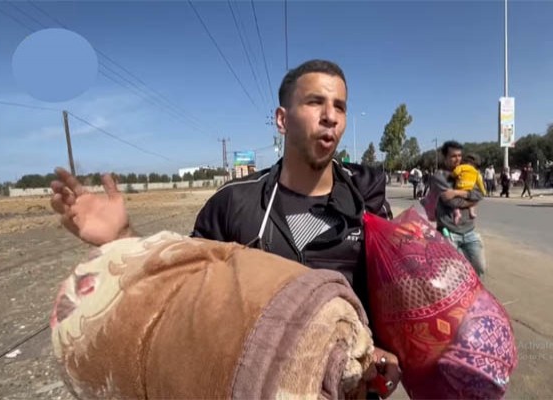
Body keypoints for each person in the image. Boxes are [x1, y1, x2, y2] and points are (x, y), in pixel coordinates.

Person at [49, 59, 401, 398]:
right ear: (282, 119)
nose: (330, 117)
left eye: (339, 107)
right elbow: (182, 289)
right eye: (315, 102)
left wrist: (389, 349)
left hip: (352, 385)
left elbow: (390, 289)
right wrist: (123, 238)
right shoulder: (234, 203)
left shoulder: (363, 198)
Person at [428, 141, 486, 277]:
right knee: (454, 273)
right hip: (449, 233)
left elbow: (480, 195)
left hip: (470, 231)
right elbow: (452, 202)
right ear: (444, 157)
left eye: (460, 155)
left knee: (480, 268)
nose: (458, 159)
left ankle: (474, 295)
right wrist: (470, 200)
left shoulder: (468, 172)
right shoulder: (439, 177)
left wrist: (457, 193)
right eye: (453, 156)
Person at [451, 153, 486, 225]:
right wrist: (484, 192)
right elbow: (480, 183)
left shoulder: (462, 167)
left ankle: (457, 213)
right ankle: (472, 212)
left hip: (460, 188)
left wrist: (452, 176)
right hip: (470, 189)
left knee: (454, 203)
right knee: (472, 202)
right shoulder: (476, 172)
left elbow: (455, 172)